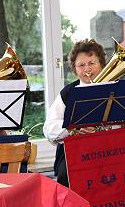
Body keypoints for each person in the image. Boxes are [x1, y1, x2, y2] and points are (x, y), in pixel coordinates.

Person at [43, 38, 106, 187]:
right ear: (75, 69)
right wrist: (72, 129)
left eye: (91, 63)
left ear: (101, 64)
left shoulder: (116, 89)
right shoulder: (68, 93)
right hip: (76, 154)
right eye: (81, 65)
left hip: (110, 151)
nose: (87, 69)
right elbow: (49, 129)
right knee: (67, 175)